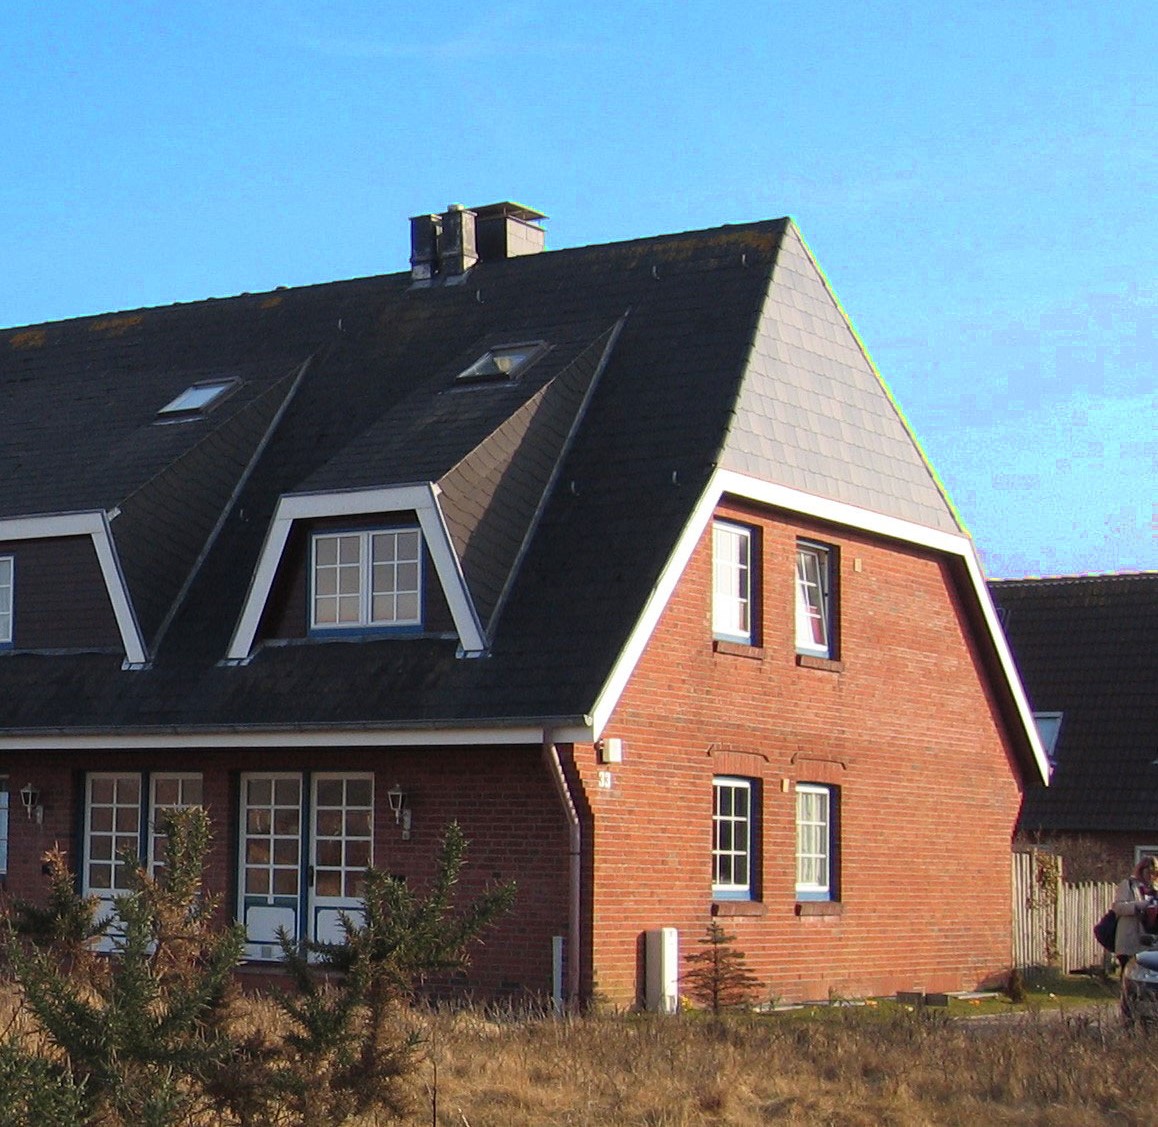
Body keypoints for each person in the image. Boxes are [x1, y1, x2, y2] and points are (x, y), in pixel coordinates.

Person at [1113, 855, 1158, 970]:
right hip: (1130, 940)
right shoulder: (1128, 885)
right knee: (1129, 972)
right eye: (1148, 872)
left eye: (1154, 873)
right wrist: (1139, 905)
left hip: (1150, 941)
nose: (1151, 876)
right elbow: (1118, 907)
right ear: (1141, 871)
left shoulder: (1155, 889)